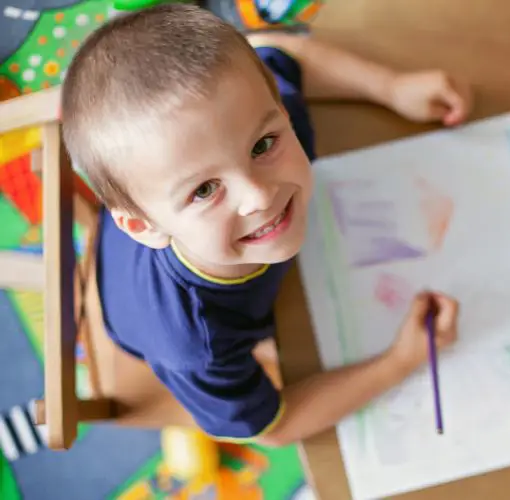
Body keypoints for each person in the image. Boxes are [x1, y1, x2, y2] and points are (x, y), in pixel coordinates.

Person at [61, 4, 471, 447]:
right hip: (132, 310)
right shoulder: (196, 347)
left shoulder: (240, 115)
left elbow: (278, 51)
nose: (259, 195)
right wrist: (399, 362)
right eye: (203, 191)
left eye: (263, 145)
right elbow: (274, 428)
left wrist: (391, 87)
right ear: (145, 227)